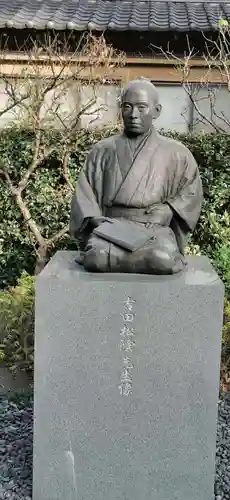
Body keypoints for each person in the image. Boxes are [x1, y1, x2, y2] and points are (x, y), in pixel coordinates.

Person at [70, 78, 203, 274]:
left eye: (142, 108)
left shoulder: (177, 153)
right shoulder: (102, 150)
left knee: (162, 259)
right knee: (95, 259)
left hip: (153, 229)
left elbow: (191, 191)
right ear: (120, 109)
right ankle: (137, 260)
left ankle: (138, 259)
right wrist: (95, 220)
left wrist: (170, 209)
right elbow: (85, 192)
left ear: (156, 111)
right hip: (111, 228)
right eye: (127, 107)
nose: (133, 115)